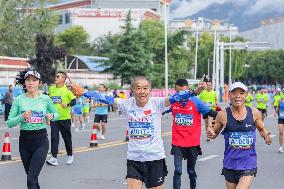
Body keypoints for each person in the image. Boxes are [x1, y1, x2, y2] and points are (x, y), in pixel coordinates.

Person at [79, 76, 204, 189]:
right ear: (132, 91)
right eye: (138, 88)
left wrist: (194, 92)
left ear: (150, 90)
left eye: (145, 88)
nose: (142, 92)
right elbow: (105, 98)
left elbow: (176, 97)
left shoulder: (157, 103)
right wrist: (84, 92)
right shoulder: (127, 104)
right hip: (134, 158)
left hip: (155, 158)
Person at [207, 82, 272, 189]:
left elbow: (261, 129)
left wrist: (266, 136)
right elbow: (214, 133)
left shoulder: (254, 113)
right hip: (230, 163)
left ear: (246, 95)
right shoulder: (222, 115)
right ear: (229, 95)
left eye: (241, 93)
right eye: (234, 93)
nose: (238, 96)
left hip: (248, 162)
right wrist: (211, 133)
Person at [8, 70, 58, 189]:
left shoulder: (45, 98)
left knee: (30, 180)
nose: (30, 83)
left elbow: (56, 114)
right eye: (28, 80)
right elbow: (9, 122)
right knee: (33, 180)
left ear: (39, 83)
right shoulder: (18, 99)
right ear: (24, 83)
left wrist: (51, 116)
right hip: (24, 141)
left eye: (34, 80)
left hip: (40, 141)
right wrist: (22, 116)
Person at [170, 79, 217, 189]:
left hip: (192, 142)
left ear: (188, 91)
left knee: (191, 171)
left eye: (184, 92)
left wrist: (227, 115)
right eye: (178, 92)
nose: (181, 95)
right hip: (177, 142)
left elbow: (210, 112)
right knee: (178, 171)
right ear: (175, 91)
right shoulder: (172, 101)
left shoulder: (196, 101)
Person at [46, 71, 76, 166]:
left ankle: (70, 155)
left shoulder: (67, 91)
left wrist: (67, 104)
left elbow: (74, 101)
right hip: (54, 118)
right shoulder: (51, 89)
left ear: (63, 79)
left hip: (65, 118)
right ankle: (54, 158)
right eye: (55, 76)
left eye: (58, 76)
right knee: (54, 138)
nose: (55, 78)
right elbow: (49, 101)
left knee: (67, 138)